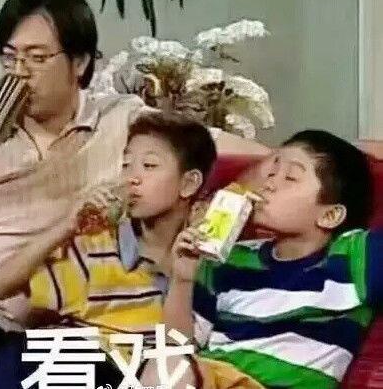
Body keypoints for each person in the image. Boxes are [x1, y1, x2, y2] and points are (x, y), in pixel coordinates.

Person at [0, 0, 269, 388]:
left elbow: (237, 155)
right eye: (9, 57)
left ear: (80, 63)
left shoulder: (123, 121)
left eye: (37, 58)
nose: (19, 72)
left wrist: (289, 172)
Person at [0, 111, 216, 388]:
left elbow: (177, 354)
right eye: (126, 165)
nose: (132, 178)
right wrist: (68, 225)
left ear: (189, 183)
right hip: (62, 360)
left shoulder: (203, 264)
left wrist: (182, 280)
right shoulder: (100, 244)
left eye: (149, 166)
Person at [161, 129, 378, 389]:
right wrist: (182, 280)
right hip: (211, 377)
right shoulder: (230, 258)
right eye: (271, 173)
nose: (269, 184)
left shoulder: (352, 256)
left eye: (290, 178)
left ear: (330, 215)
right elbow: (176, 348)